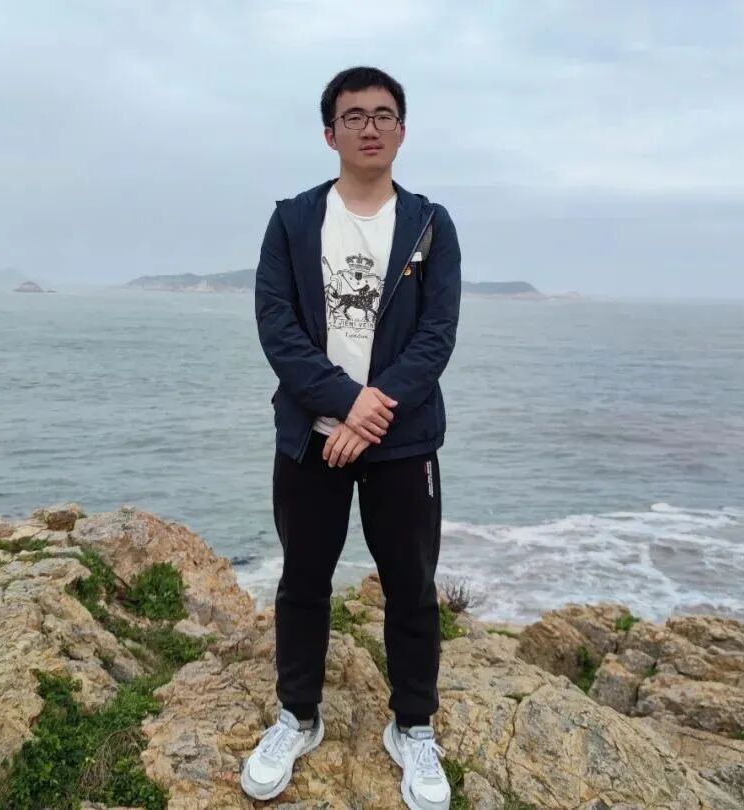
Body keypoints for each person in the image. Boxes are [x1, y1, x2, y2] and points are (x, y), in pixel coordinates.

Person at [243, 66, 462, 810]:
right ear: (329, 133)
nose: (370, 127)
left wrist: (371, 415)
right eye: (354, 115)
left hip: (402, 440)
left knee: (411, 586)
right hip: (313, 436)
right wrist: (344, 405)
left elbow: (435, 335)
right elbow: (277, 326)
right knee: (304, 581)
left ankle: (414, 726)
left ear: (402, 129)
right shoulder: (293, 221)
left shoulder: (430, 224)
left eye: (383, 114)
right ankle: (297, 717)